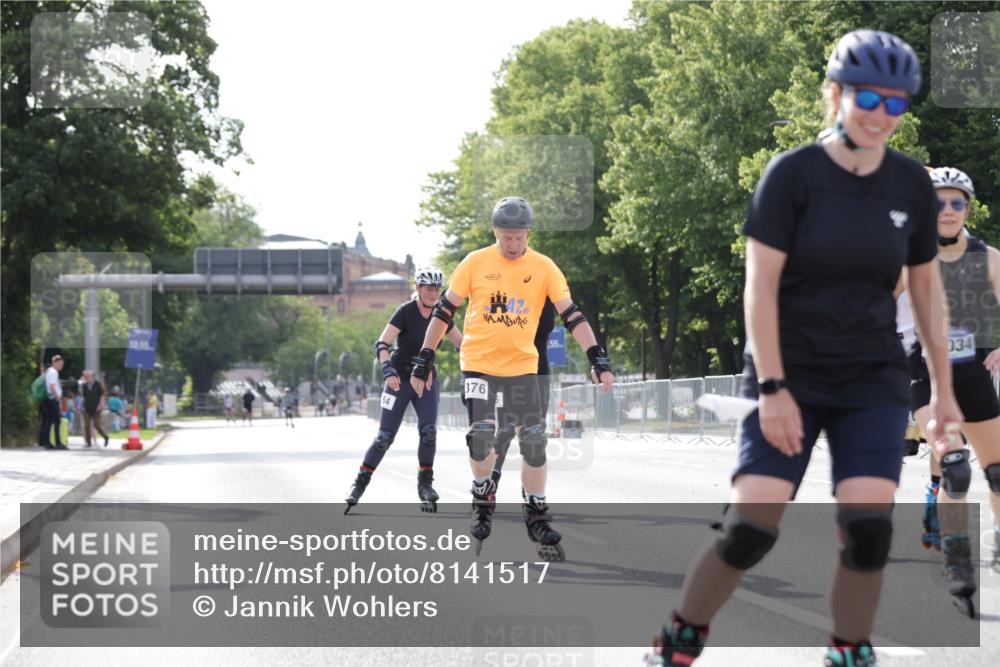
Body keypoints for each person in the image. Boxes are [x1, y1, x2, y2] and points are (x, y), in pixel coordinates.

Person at [648, 31, 962, 667]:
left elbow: (928, 295)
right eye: (868, 97)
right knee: (750, 529)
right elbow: (759, 289)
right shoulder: (792, 174)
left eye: (896, 103)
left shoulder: (909, 187)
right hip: (785, 364)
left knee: (870, 529)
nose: (880, 114)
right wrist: (772, 388)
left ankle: (849, 650)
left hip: (871, 373)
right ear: (837, 94)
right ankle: (682, 634)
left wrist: (944, 395)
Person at [410, 197, 614, 560]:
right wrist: (424, 357)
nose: (513, 245)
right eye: (507, 238)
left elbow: (572, 314)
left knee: (534, 442)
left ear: (528, 234)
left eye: (519, 238)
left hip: (523, 367)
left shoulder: (544, 267)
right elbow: (444, 310)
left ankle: (536, 513)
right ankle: (482, 490)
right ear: (496, 233)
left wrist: (597, 357)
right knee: (481, 438)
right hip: (479, 363)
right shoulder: (475, 262)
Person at [905, 166, 1000, 612]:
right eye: (938, 202)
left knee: (998, 473)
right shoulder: (909, 258)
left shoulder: (989, 257)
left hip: (971, 373)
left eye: (956, 202)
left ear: (967, 207)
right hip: (923, 375)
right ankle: (959, 562)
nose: (947, 210)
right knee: (956, 468)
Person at [344, 266, 463, 514]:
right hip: (398, 380)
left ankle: (425, 486)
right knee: (384, 438)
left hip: (426, 381)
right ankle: (359, 484)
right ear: (418, 288)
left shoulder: (443, 314)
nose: (433, 293)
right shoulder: (406, 311)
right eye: (428, 288)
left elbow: (462, 345)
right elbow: (382, 343)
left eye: (437, 289)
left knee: (429, 432)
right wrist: (388, 370)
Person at [491, 298, 556, 492]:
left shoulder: (549, 294)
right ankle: (491, 481)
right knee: (505, 430)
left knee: (535, 435)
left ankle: (530, 492)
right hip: (509, 372)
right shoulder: (510, 292)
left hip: (539, 375)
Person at [41, 355, 67, 450]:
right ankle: (58, 443)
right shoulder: (53, 372)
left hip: (49, 399)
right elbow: (52, 386)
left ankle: (47, 443)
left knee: (49, 421)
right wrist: (57, 397)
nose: (61, 365)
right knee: (56, 421)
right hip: (52, 399)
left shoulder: (50, 371)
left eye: (62, 364)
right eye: (60, 363)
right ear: (54, 362)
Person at [80, 370, 110, 447]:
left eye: (87, 376)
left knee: (96, 425)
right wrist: (81, 405)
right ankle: (88, 442)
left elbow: (101, 395)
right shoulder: (84, 386)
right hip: (87, 408)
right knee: (86, 425)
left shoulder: (97, 384)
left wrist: (100, 405)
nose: (86, 378)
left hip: (96, 408)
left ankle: (105, 437)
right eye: (85, 376)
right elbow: (84, 396)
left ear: (91, 376)